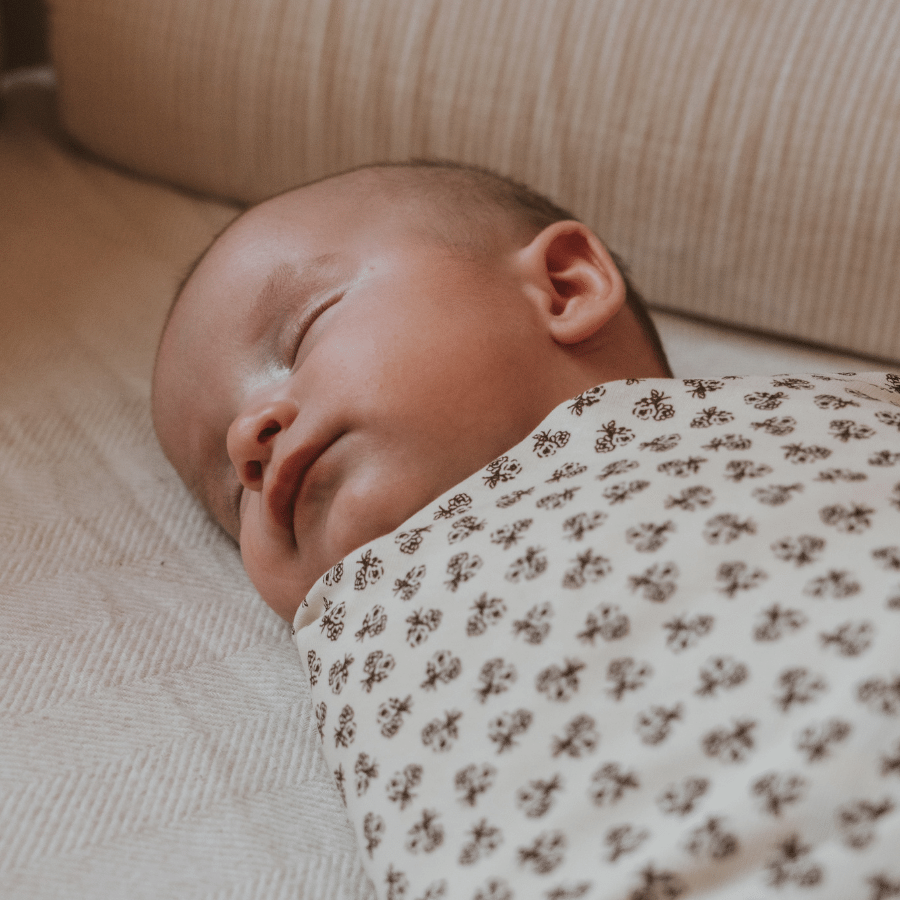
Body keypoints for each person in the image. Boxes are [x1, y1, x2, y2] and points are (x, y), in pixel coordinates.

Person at [152, 160, 672, 621]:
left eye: (303, 333)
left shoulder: (741, 422)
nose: (246, 438)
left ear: (565, 287)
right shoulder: (366, 666)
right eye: (233, 497)